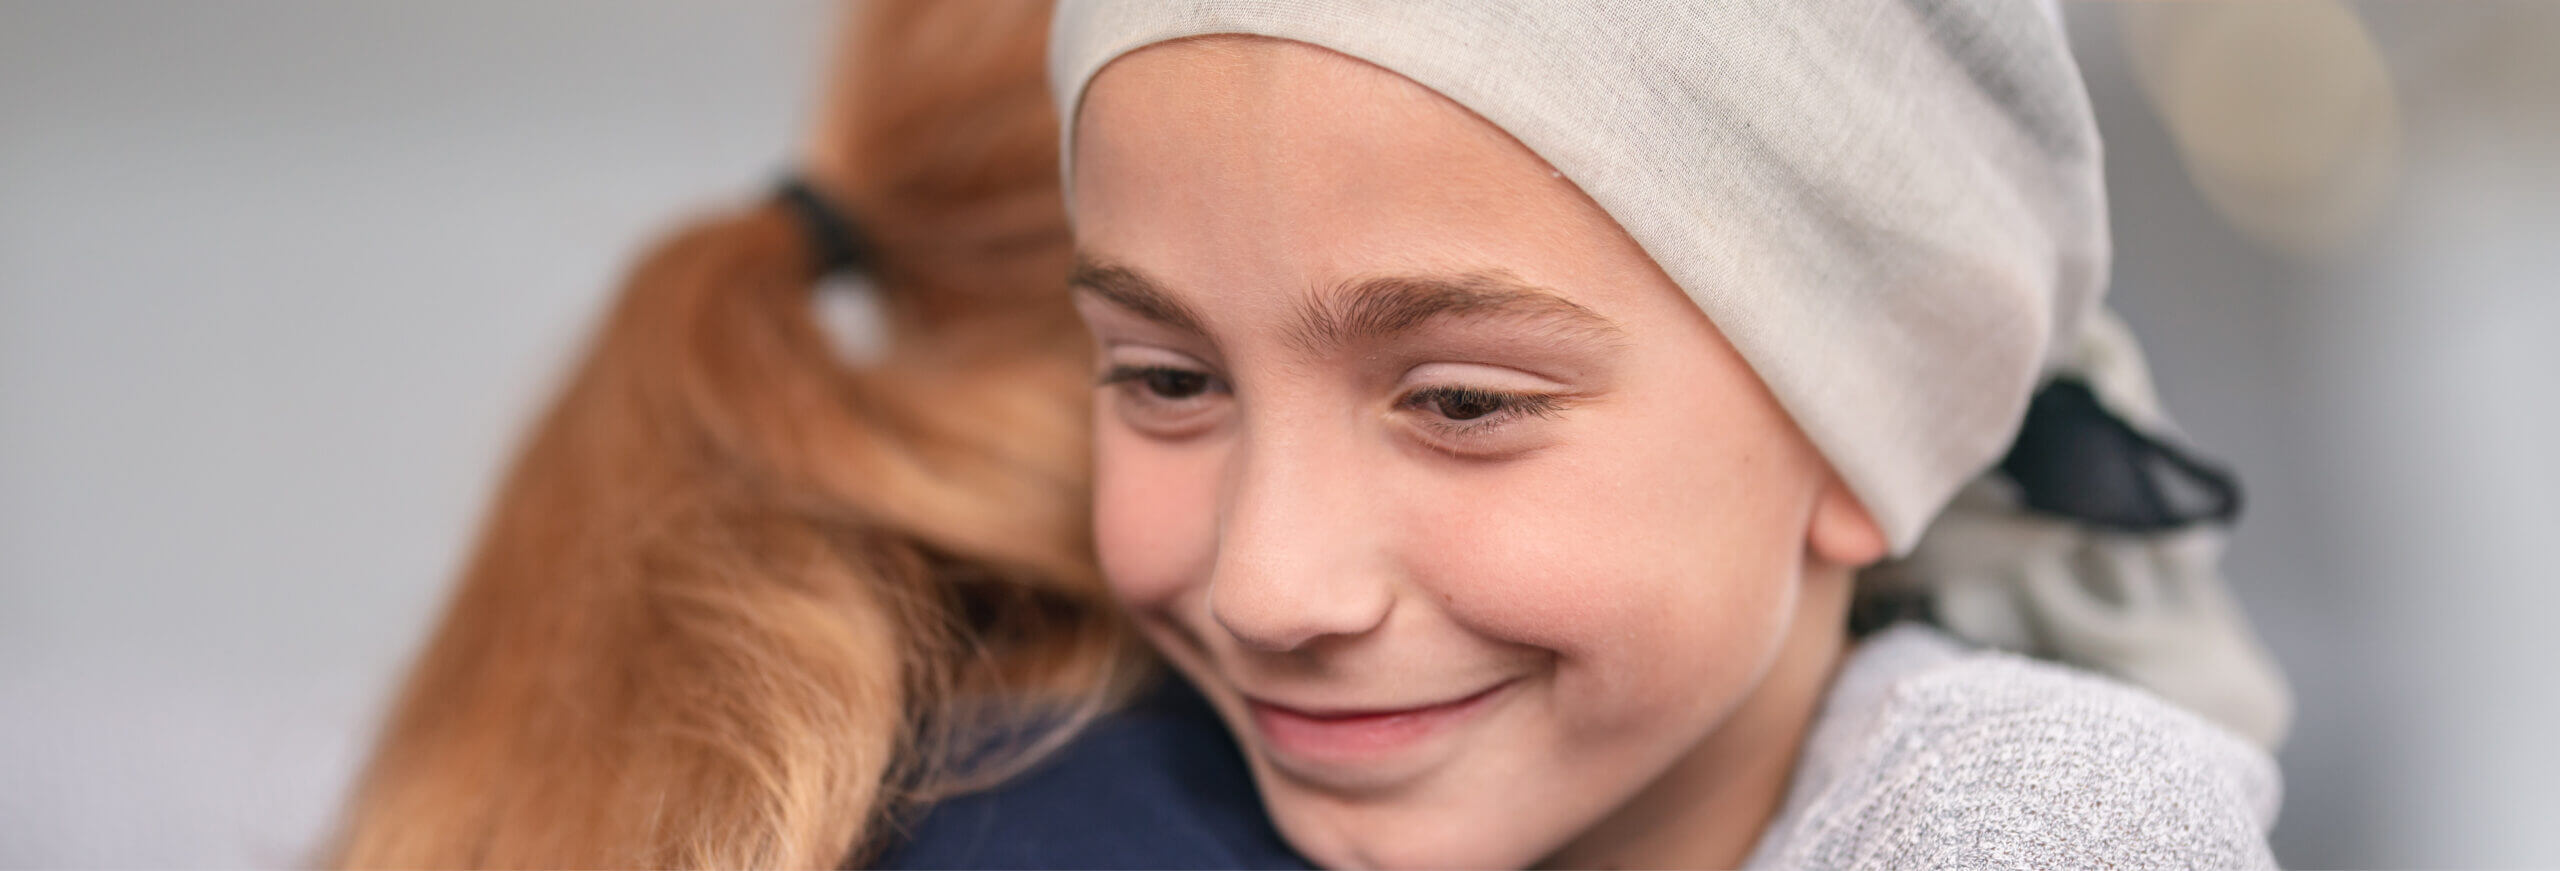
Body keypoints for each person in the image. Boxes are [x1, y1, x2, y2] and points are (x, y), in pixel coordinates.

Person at [331, 1, 2292, 868]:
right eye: (1165, 377)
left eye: (1459, 402)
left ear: (1883, 410)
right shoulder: (1076, 806)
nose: (1268, 578)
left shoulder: (2020, 822)